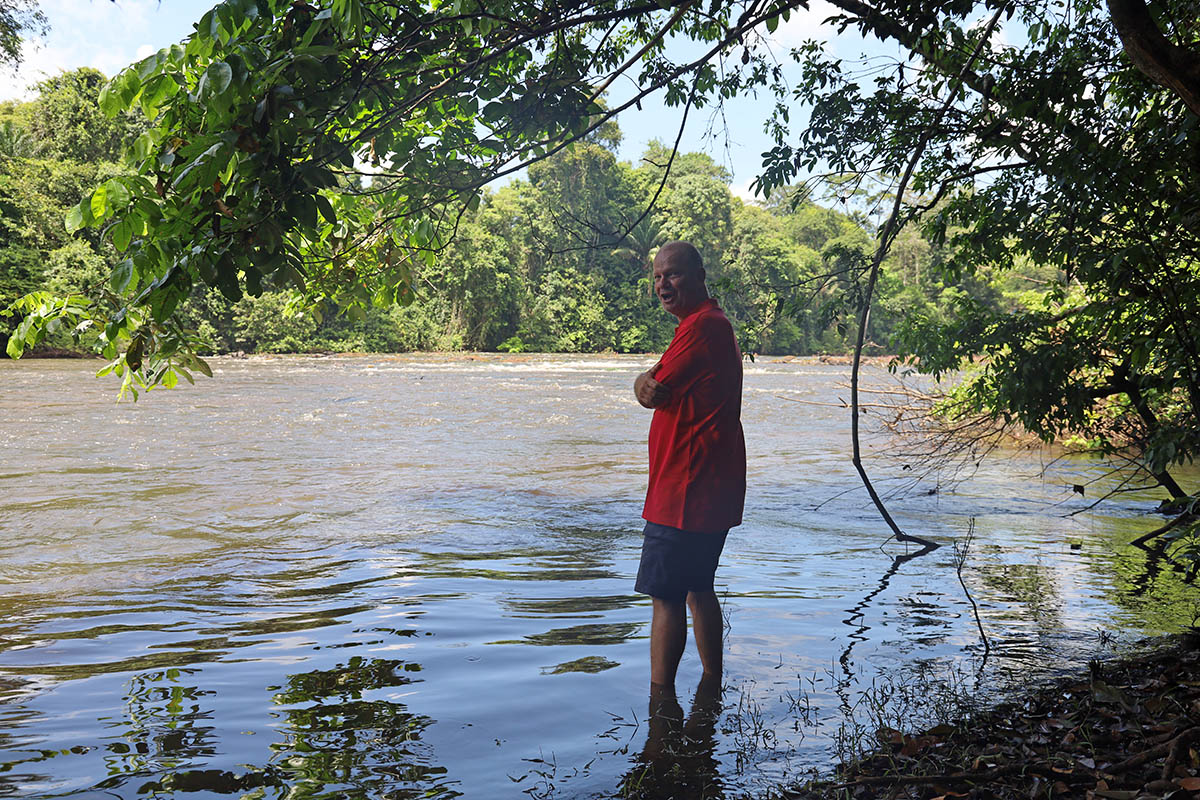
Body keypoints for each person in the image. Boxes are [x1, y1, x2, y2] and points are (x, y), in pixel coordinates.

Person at [633, 240, 746, 697]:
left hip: (685, 488)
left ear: (700, 275)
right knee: (699, 587)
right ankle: (710, 689)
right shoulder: (704, 326)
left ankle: (661, 708)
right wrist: (641, 381)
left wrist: (643, 382)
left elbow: (653, 385)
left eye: (673, 274)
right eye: (658, 276)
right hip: (706, 487)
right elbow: (650, 383)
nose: (663, 284)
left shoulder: (702, 328)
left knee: (666, 597)